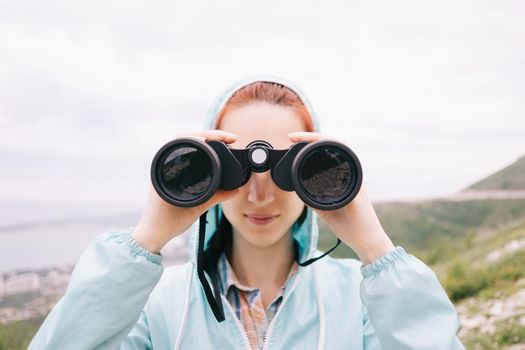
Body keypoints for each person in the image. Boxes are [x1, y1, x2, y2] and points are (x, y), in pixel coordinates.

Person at [30, 76, 465, 349]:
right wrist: (147, 237)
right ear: (208, 170)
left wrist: (374, 248)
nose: (260, 195)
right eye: (232, 168)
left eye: (287, 170)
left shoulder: (362, 299)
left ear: (314, 173)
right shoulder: (156, 304)